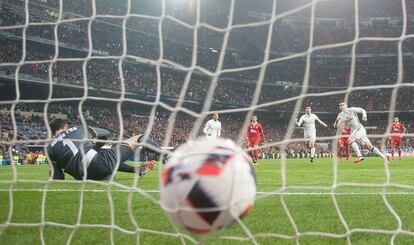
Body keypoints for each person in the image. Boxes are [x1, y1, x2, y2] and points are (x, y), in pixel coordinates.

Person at [47, 118, 160, 180]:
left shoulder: (49, 148)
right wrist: (94, 145)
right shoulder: (77, 129)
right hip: (99, 164)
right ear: (65, 126)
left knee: (103, 159)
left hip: (83, 176)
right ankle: (166, 156)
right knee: (139, 137)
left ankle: (136, 170)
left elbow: (58, 177)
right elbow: (105, 133)